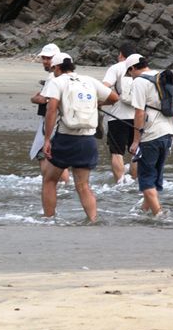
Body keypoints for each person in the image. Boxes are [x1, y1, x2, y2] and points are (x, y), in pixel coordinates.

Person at [41, 52, 118, 222]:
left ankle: (48, 219)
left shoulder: (56, 82)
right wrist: (96, 104)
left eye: (53, 68)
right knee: (83, 185)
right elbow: (114, 98)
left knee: (49, 180)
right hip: (88, 139)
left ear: (57, 67)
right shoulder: (88, 80)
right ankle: (93, 219)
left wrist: (47, 139)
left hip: (66, 138)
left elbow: (51, 109)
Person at [126, 54, 173, 216]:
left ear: (132, 68)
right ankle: (142, 211)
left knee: (145, 179)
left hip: (150, 135)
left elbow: (139, 113)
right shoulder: (164, 76)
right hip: (169, 134)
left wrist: (135, 141)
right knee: (155, 177)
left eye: (128, 72)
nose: (129, 76)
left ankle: (159, 215)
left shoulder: (139, 82)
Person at [30, 43, 69, 184]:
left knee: (44, 155)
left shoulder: (54, 78)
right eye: (44, 58)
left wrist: (35, 98)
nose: (46, 61)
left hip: (51, 123)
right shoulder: (60, 77)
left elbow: (47, 100)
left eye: (49, 58)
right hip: (60, 123)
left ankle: (51, 185)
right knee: (57, 158)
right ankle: (65, 186)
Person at [102, 42, 138, 183]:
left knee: (117, 152)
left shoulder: (116, 68)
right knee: (136, 152)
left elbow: (104, 87)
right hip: (138, 116)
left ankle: (120, 183)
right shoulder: (141, 68)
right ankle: (135, 182)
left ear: (121, 55)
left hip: (117, 116)